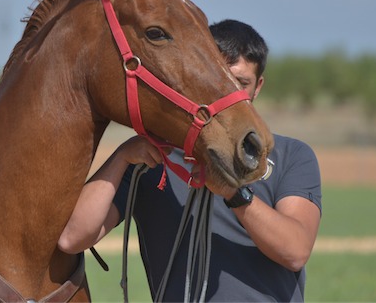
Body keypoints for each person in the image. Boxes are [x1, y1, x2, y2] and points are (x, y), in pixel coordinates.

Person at [58, 19, 322, 302]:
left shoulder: (292, 155)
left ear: (257, 87)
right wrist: (121, 156)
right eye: (220, 79)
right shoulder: (150, 157)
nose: (228, 93)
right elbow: (72, 238)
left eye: (241, 83)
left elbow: (294, 252)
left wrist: (233, 192)